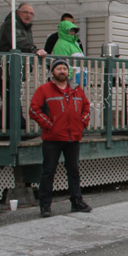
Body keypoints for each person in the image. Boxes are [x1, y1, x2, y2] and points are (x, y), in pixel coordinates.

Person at [29, 58, 92, 218]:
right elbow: (34, 110)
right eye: (59, 69)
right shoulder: (44, 90)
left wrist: (82, 122)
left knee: (74, 171)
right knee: (48, 171)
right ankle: (45, 206)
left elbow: (86, 107)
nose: (62, 71)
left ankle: (76, 201)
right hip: (52, 138)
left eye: (64, 68)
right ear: (53, 72)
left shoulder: (77, 89)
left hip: (73, 137)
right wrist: (49, 124)